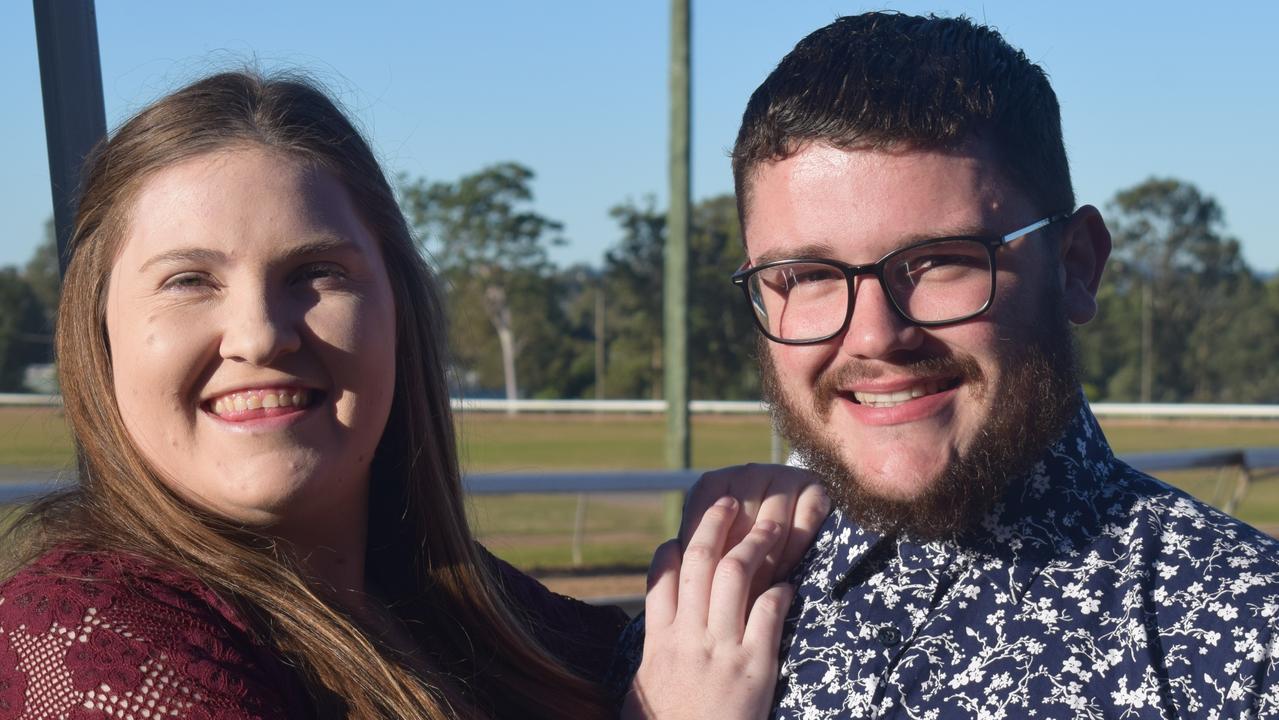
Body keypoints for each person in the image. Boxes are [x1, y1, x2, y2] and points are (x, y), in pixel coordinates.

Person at [0, 70, 824, 720]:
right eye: (188, 280)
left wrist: (757, 534)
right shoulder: (85, 628)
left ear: (397, 310)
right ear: (98, 332)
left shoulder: (480, 615)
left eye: (315, 273)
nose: (259, 333)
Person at [621, 12, 1279, 719]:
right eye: (808, 274)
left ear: (1076, 265)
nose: (874, 336)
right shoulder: (684, 633)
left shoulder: (1246, 647)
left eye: (938, 261)